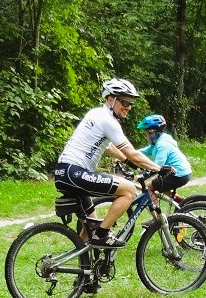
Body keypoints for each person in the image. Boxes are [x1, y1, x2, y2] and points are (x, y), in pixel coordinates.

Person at [54, 78, 161, 247]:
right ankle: (102, 235)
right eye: (125, 101)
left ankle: (84, 270)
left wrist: (127, 162)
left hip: (65, 173)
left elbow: (109, 146)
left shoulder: (96, 114)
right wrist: (159, 169)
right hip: (75, 173)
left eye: (130, 103)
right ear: (111, 99)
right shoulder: (108, 121)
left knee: (89, 229)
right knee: (129, 190)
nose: (128, 107)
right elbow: (133, 153)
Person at [136, 113, 192, 202]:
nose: (146, 136)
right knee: (160, 184)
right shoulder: (162, 139)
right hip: (183, 172)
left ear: (152, 133)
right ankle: (182, 202)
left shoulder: (161, 145)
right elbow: (143, 151)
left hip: (178, 174)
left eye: (146, 133)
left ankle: (157, 215)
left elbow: (156, 167)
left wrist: (142, 174)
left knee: (148, 187)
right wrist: (125, 155)